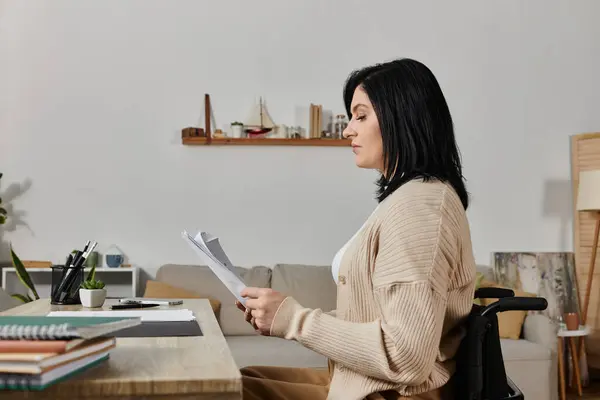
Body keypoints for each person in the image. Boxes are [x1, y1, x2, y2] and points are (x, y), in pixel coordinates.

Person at [236, 58, 477, 400]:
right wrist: (280, 316)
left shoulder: (419, 210)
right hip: (361, 382)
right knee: (243, 379)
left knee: (228, 390)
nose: (349, 129)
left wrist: (294, 320)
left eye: (361, 116)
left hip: (389, 393)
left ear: (400, 118)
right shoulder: (409, 198)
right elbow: (376, 317)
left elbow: (406, 357)